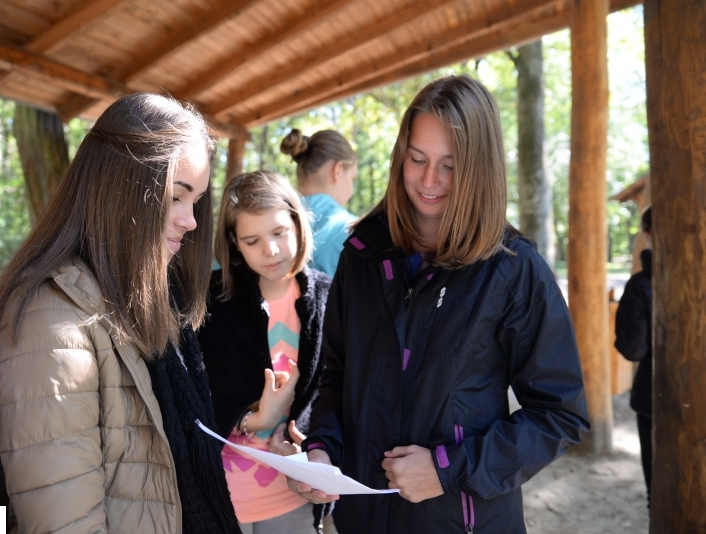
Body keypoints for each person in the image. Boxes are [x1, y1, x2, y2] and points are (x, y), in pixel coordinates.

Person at [289, 75, 590, 534]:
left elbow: (560, 413)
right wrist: (323, 449)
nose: (429, 181)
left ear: (479, 169)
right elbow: (336, 375)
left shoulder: (515, 269)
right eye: (417, 159)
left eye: (450, 166)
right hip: (363, 517)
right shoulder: (361, 254)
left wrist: (450, 468)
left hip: (463, 521)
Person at [0, 93, 241, 534]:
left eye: (195, 201)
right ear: (122, 188)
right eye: (177, 197)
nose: (191, 220)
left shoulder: (154, 302)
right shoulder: (50, 325)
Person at [198, 170, 333, 534]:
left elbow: (335, 393)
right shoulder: (210, 303)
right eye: (252, 240)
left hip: (293, 499)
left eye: (279, 233)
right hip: (220, 498)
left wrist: (306, 442)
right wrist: (252, 420)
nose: (270, 250)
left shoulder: (329, 299)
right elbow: (195, 397)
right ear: (234, 243)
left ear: (297, 222)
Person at [615, 205, 653, 507]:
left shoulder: (641, 286)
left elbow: (633, 349)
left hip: (655, 394)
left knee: (662, 491)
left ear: (647, 234)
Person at [280, 129, 358, 277]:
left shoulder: (263, 222)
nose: (352, 190)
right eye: (353, 178)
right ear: (338, 169)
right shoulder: (353, 232)